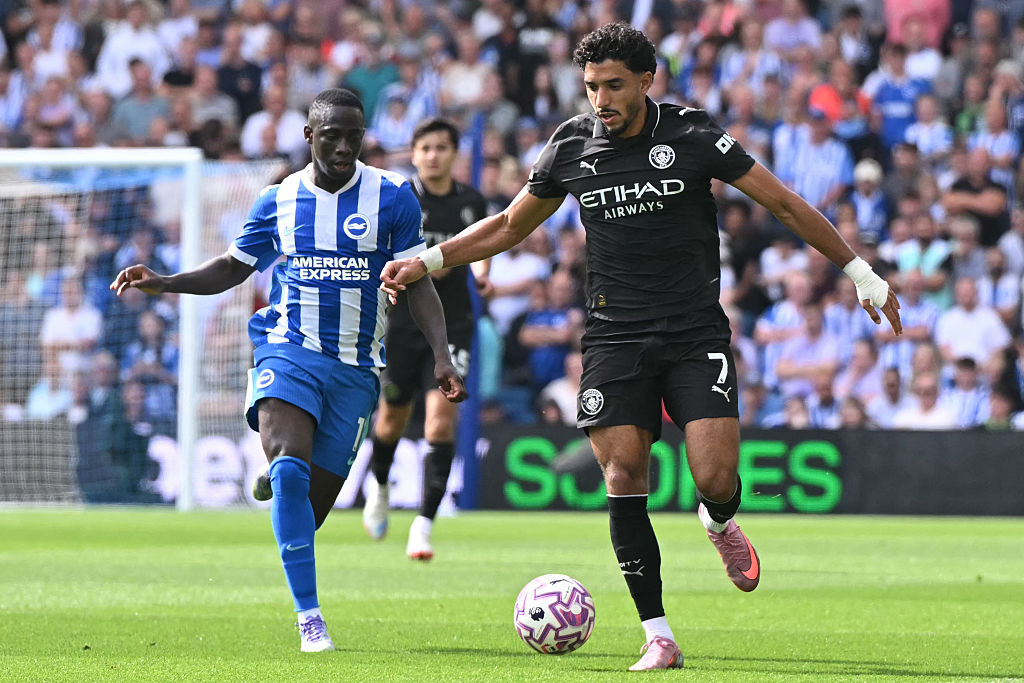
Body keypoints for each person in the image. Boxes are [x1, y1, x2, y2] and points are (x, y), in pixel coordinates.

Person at [377, 23, 903, 671]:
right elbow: (510, 225)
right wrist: (428, 260)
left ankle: (719, 523)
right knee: (625, 475)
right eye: (592, 85)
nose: (600, 98)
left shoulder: (691, 133)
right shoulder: (571, 145)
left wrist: (859, 272)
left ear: (646, 80)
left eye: (614, 85)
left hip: (692, 333)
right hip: (613, 335)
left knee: (715, 477)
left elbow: (786, 205)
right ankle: (658, 633)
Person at [110, 88, 467, 654]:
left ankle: (278, 477)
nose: (345, 146)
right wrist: (166, 281)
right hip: (288, 347)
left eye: (355, 136)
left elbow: (416, 279)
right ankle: (310, 620)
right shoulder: (278, 199)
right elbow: (233, 265)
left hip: (355, 367)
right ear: (309, 136)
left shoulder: (394, 196)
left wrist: (442, 354)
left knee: (310, 508)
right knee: (293, 475)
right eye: (332, 136)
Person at [361, 117, 489, 561]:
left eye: (441, 147)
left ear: (455, 154)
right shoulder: (400, 200)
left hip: (453, 325)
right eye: (425, 148)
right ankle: (378, 485)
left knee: (440, 421)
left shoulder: (471, 203)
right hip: (401, 326)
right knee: (392, 418)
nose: (433, 155)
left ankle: (423, 525)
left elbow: (482, 251)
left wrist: (484, 275)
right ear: (414, 155)